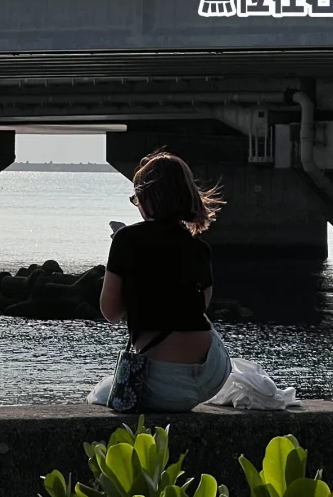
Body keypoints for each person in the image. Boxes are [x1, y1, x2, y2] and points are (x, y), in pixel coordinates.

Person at [88, 150, 232, 412]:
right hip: (213, 373)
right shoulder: (199, 248)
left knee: (99, 394)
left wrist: (132, 269)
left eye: (136, 198)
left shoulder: (126, 240)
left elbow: (110, 312)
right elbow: (200, 307)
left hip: (161, 380)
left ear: (147, 198)